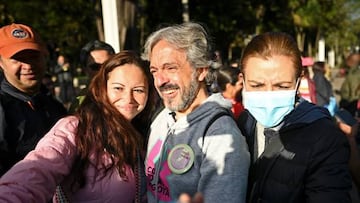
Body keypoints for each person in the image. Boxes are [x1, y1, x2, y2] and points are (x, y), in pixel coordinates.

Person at [0, 50, 157, 202]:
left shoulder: (144, 130)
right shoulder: (75, 128)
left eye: (138, 90)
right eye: (118, 88)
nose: (128, 98)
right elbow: (38, 169)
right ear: (103, 88)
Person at [237, 32, 352, 202]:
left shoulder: (325, 138)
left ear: (298, 83)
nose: (269, 95)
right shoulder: (244, 122)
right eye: (257, 85)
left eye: (282, 86)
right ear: (243, 80)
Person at [142, 22, 250, 203]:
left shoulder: (221, 135)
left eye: (171, 68)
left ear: (200, 70)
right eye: (154, 71)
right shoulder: (161, 118)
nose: (160, 80)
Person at [0, 23, 67, 176]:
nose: (28, 65)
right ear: (1, 63)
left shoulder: (52, 105)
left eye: (34, 57)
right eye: (17, 59)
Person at [68, 40, 115, 113]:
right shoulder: (80, 103)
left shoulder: (127, 95)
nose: (102, 71)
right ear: (85, 69)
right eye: (95, 67)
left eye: (107, 66)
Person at [339, 52, 360, 117]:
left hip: (350, 105)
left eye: (348, 59)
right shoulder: (353, 72)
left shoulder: (354, 74)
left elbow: (354, 93)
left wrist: (346, 104)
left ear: (351, 61)